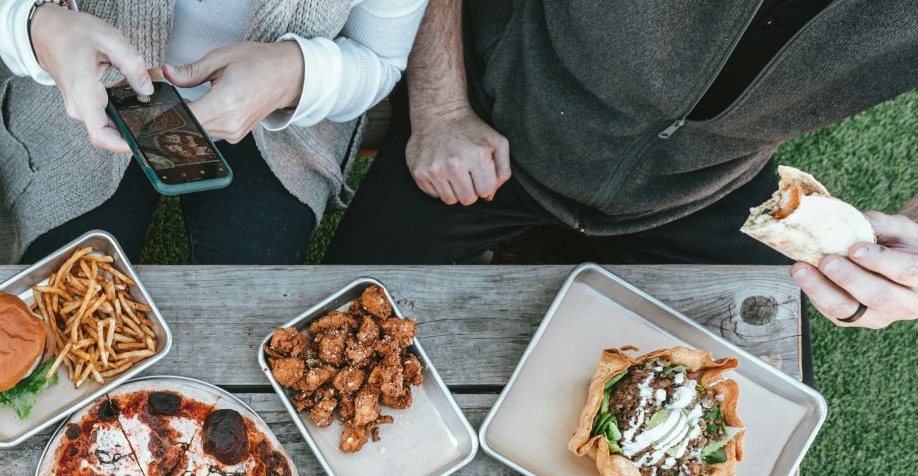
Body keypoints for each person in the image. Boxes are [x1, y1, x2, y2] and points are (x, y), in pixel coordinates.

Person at [325, 0, 918, 331]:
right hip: (499, 111)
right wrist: (440, 105)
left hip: (708, 181)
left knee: (749, 422)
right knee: (336, 325)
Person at [0, 0, 428, 264]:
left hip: (279, 122)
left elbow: (378, 57)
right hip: (83, 85)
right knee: (63, 301)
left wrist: (293, 74)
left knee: (245, 313)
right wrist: (41, 27)